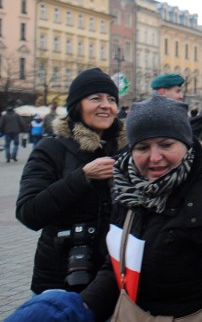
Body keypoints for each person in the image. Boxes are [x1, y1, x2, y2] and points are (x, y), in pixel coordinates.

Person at [80, 95, 202, 322]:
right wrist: (81, 310)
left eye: (166, 144)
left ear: (186, 143)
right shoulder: (126, 189)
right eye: (142, 147)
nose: (155, 157)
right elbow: (117, 266)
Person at [16, 68, 125, 294]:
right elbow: (29, 212)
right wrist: (82, 176)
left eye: (111, 99)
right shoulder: (51, 149)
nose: (106, 105)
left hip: (115, 275)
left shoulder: (128, 150)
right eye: (96, 98)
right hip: (61, 276)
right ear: (77, 105)